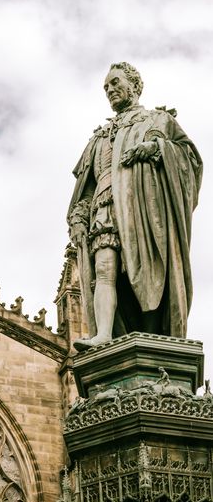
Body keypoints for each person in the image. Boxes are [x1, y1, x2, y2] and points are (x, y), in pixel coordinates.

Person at [68, 62, 202, 351]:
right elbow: (85, 189)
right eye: (106, 87)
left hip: (143, 210)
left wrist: (155, 149)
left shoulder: (157, 120)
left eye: (115, 83)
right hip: (104, 207)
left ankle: (155, 338)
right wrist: (79, 216)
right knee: (104, 270)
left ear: (135, 85)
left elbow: (188, 158)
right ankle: (103, 334)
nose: (110, 90)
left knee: (148, 271)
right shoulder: (98, 138)